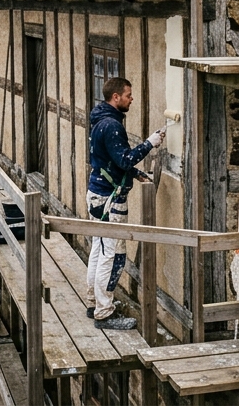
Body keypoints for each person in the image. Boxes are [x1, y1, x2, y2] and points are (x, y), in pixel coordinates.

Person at [85, 76, 163, 330]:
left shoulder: (100, 120)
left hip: (97, 194)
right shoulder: (112, 126)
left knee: (98, 250)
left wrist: (136, 174)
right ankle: (104, 314)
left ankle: (94, 303)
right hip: (110, 200)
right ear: (116, 97)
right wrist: (150, 143)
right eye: (128, 95)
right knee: (113, 255)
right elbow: (125, 159)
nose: (132, 99)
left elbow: (110, 160)